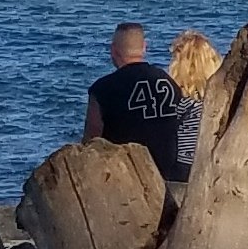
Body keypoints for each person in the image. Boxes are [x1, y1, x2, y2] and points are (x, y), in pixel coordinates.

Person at [84, 21, 195, 190]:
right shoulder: (168, 82)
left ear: (113, 50)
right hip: (166, 174)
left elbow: (92, 139)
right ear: (144, 47)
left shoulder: (103, 88)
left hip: (123, 175)